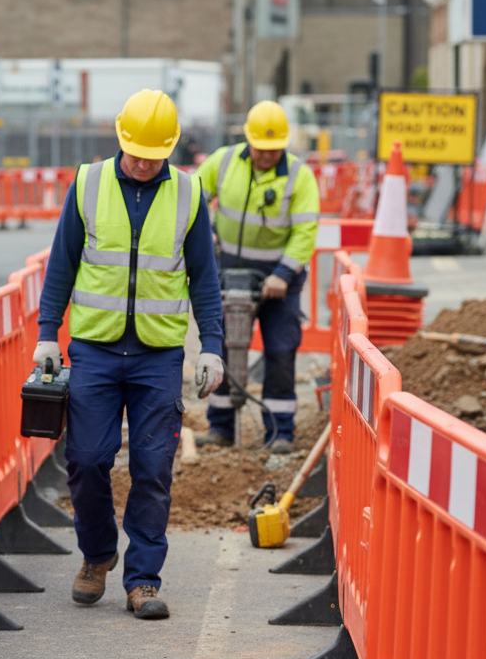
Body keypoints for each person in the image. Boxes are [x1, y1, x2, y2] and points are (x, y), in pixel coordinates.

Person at [34, 90, 224, 620]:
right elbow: (62, 266)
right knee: (87, 459)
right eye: (135, 152)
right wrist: (49, 333)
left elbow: (205, 280)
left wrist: (211, 347)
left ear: (170, 149)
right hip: (93, 350)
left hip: (157, 357)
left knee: (152, 467)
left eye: (153, 155)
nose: (143, 163)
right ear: (120, 139)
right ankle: (97, 556)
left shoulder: (187, 194)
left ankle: (142, 580)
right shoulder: (88, 184)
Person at [196, 100, 319, 453]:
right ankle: (220, 428)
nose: (266, 155)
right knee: (219, 348)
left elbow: (305, 231)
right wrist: (205, 236)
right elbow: (191, 201)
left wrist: (282, 274)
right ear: (248, 139)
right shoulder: (223, 162)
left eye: (273, 149)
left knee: (280, 352)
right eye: (260, 147)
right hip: (229, 273)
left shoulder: (299, 176)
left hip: (277, 281)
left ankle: (281, 433)